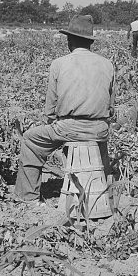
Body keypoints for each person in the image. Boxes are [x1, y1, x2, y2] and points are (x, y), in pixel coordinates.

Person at [12, 15, 116, 205]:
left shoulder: (59, 64)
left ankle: (27, 198)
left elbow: (50, 108)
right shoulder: (107, 64)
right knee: (100, 143)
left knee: (29, 141)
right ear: (90, 42)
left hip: (68, 127)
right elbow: (111, 107)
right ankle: (105, 190)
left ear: (70, 40)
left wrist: (54, 123)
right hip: (99, 129)